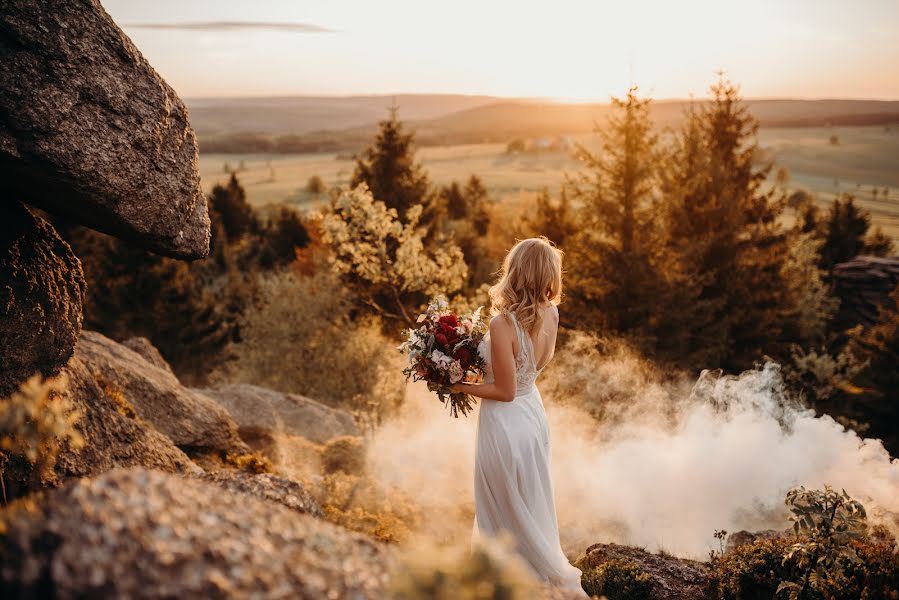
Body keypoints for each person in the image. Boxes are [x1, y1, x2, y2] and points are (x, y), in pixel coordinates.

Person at [450, 237, 586, 594]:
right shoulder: (552, 312)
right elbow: (530, 369)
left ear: (515, 271)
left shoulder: (502, 324)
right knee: (528, 502)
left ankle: (507, 584)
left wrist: (459, 385)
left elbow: (504, 392)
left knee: (501, 507)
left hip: (505, 423)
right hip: (533, 415)